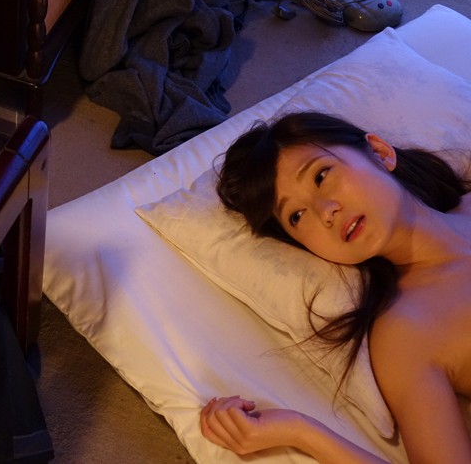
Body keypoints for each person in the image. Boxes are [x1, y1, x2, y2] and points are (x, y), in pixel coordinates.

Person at [200, 111, 471, 463]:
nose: (325, 211)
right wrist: (301, 432)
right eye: (296, 216)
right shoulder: (408, 333)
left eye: (321, 175)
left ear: (380, 152)